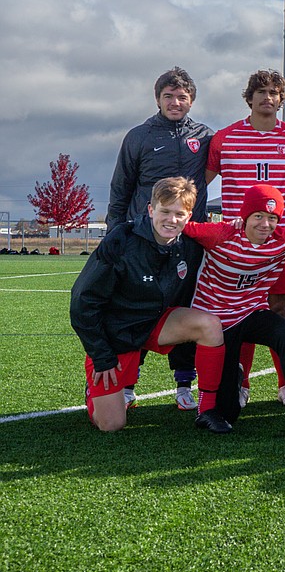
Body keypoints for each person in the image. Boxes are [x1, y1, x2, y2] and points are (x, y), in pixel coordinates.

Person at [70, 177, 225, 432]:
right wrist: (102, 356)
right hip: (117, 334)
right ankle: (95, 391)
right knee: (111, 425)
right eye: (165, 211)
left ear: (189, 217)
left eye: (179, 214)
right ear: (151, 210)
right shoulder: (121, 244)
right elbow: (81, 304)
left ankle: (207, 409)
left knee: (209, 325)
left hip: (154, 323)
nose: (171, 220)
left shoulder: (188, 247)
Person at [183, 184, 285, 442]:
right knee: (228, 413)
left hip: (250, 314)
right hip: (216, 326)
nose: (265, 224)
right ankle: (235, 375)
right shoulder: (220, 234)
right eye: (258, 216)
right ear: (245, 216)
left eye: (272, 218)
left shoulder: (283, 238)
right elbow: (178, 225)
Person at [107, 67, 213, 409]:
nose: (175, 102)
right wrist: (115, 233)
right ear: (158, 99)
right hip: (143, 242)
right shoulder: (139, 136)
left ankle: (184, 384)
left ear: (192, 100)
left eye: (182, 97)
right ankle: (127, 386)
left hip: (188, 241)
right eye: (168, 96)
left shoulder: (206, 136)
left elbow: (247, 146)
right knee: (135, 308)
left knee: (185, 307)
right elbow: (121, 188)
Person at [206, 69, 285, 408]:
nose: (268, 97)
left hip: (279, 243)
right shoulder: (225, 138)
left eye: (274, 92)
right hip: (237, 246)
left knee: (279, 310)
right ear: (249, 97)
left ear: (282, 99)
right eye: (260, 91)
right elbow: (198, 182)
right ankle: (240, 383)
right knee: (239, 314)